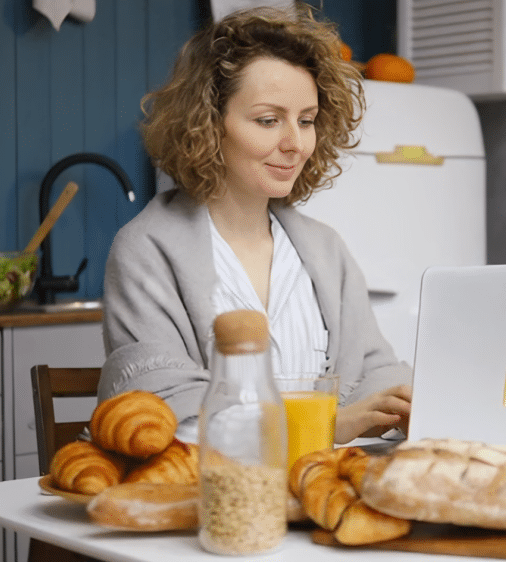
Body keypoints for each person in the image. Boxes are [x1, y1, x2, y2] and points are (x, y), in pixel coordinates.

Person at [99, 6, 412, 444]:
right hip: (212, 503)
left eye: (306, 121)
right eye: (268, 120)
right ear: (207, 124)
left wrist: (403, 406)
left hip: (319, 494)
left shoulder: (325, 249)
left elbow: (375, 371)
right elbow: (162, 411)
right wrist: (324, 428)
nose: (296, 143)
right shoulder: (146, 250)